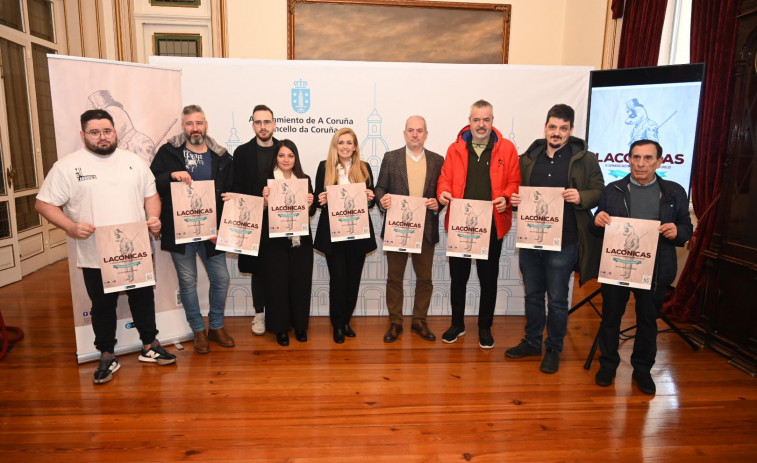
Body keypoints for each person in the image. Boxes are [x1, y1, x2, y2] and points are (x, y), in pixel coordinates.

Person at [35, 109, 176, 385]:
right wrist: (71, 227)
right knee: (102, 305)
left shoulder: (134, 162)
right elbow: (44, 203)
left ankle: (149, 345)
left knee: (142, 299)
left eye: (107, 131)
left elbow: (151, 195)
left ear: (115, 131)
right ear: (83, 134)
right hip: (95, 253)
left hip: (134, 250)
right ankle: (107, 354)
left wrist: (155, 218)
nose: (102, 137)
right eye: (95, 132)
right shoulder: (67, 166)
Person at [505, 104, 605, 374]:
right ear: (545, 127)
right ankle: (532, 342)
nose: (557, 133)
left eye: (563, 128)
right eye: (552, 127)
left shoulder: (585, 158)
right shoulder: (529, 157)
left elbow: (599, 190)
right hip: (530, 240)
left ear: (571, 130)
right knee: (534, 295)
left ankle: (554, 349)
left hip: (565, 240)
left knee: (558, 299)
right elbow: (520, 191)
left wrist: (581, 196)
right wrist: (515, 200)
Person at [593, 139, 693, 395]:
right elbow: (601, 222)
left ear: (659, 162)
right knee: (611, 317)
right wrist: (598, 219)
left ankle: (642, 370)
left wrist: (677, 231)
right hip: (618, 265)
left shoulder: (673, 191)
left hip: (656, 268)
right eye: (636, 157)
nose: (641, 163)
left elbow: (686, 228)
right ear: (628, 159)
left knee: (648, 321)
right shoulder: (613, 188)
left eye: (648, 158)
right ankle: (608, 364)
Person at [150, 105, 234, 354]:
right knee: (188, 283)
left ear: (206, 125)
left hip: (211, 231)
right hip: (180, 230)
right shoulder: (168, 152)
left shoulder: (221, 155)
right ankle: (198, 330)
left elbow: (230, 189)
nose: (195, 128)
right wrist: (171, 175)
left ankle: (216, 327)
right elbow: (151, 182)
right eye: (190, 123)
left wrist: (228, 202)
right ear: (183, 127)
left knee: (221, 278)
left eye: (199, 123)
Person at [437, 99, 520, 349]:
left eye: (486, 119)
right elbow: (444, 180)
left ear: (492, 121)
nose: (481, 124)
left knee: (488, 278)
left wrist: (506, 198)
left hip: (493, 223)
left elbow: (514, 182)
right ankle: (457, 324)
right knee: (458, 278)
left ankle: (485, 327)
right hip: (461, 223)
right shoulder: (455, 149)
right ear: (469, 121)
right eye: (476, 120)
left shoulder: (507, 149)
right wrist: (443, 193)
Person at [374, 116, 444, 343]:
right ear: (405, 133)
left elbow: (442, 192)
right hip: (397, 228)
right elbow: (380, 188)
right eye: (411, 130)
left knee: (425, 279)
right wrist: (381, 200)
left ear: (426, 134)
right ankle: (395, 322)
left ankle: (419, 321)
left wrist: (438, 204)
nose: (415, 134)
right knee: (395, 278)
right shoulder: (391, 158)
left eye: (419, 131)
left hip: (425, 228)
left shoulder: (437, 160)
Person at [313, 128, 377, 344]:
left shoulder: (364, 168)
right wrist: (320, 199)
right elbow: (317, 200)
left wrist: (370, 197)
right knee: (338, 280)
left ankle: (347, 320)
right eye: (341, 143)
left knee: (353, 281)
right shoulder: (325, 167)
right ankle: (337, 325)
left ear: (355, 146)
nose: (345, 147)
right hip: (334, 234)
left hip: (358, 233)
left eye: (350, 143)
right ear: (335, 146)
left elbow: (371, 199)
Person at [260, 140, 315, 346]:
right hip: (274, 242)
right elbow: (258, 210)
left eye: (290, 156)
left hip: (300, 241)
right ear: (276, 157)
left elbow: (310, 211)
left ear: (295, 158)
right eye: (282, 155)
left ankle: (300, 326)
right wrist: (264, 200)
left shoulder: (304, 179)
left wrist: (310, 204)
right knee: (277, 285)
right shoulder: (265, 179)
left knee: (301, 283)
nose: (286, 159)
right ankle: (280, 328)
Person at [232, 104, 279, 336]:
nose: (263, 126)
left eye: (267, 122)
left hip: (281, 223)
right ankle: (259, 313)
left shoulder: (284, 149)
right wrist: (256, 202)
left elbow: (295, 179)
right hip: (252, 223)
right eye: (258, 122)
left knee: (278, 269)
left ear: (274, 124)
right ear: (253, 125)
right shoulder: (241, 153)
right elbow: (235, 188)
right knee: (258, 270)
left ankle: (278, 312)